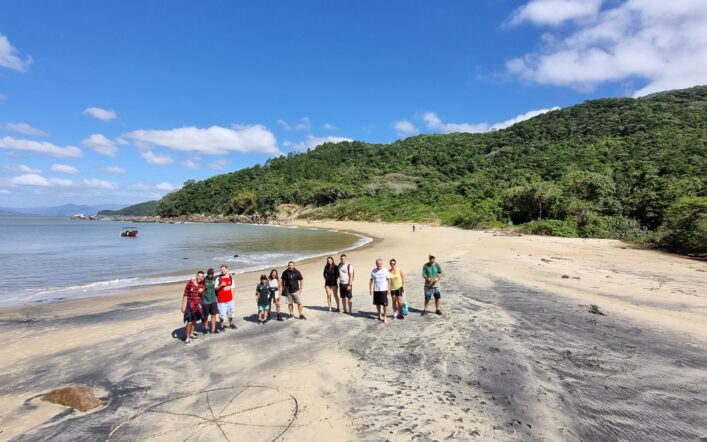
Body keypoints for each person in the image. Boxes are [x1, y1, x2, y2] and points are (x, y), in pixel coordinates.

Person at [181, 271, 205, 344]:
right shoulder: (190, 283)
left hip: (198, 306)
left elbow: (203, 296)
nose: (200, 278)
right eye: (199, 276)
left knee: (195, 321)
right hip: (190, 305)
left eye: (201, 276)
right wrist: (183, 306)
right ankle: (187, 338)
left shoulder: (202, 285)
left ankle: (191, 334)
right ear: (196, 276)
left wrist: (202, 292)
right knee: (189, 321)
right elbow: (185, 294)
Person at [369, 259, 391, 323]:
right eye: (377, 263)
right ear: (376, 264)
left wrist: (389, 289)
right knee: (377, 304)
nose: (378, 265)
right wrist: (370, 289)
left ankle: (385, 317)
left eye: (380, 263)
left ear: (382, 264)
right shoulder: (373, 271)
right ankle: (379, 315)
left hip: (383, 290)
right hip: (376, 290)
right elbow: (371, 280)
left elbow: (389, 280)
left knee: (384, 305)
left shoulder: (385, 270)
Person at [215, 265, 237, 330]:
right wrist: (221, 285)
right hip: (221, 301)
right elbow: (215, 289)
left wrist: (232, 298)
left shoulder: (231, 278)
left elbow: (232, 288)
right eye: (221, 269)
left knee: (231, 313)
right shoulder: (218, 278)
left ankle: (231, 324)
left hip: (230, 300)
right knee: (221, 315)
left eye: (224, 269)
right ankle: (222, 325)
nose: (223, 270)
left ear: (227, 269)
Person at [201, 268, 220, 334]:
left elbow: (220, 276)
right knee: (205, 316)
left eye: (212, 273)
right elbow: (197, 282)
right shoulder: (204, 279)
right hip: (205, 301)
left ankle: (213, 329)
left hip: (213, 300)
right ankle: (205, 328)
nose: (210, 275)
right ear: (207, 273)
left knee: (213, 315)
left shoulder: (214, 279)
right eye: (209, 273)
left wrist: (231, 274)